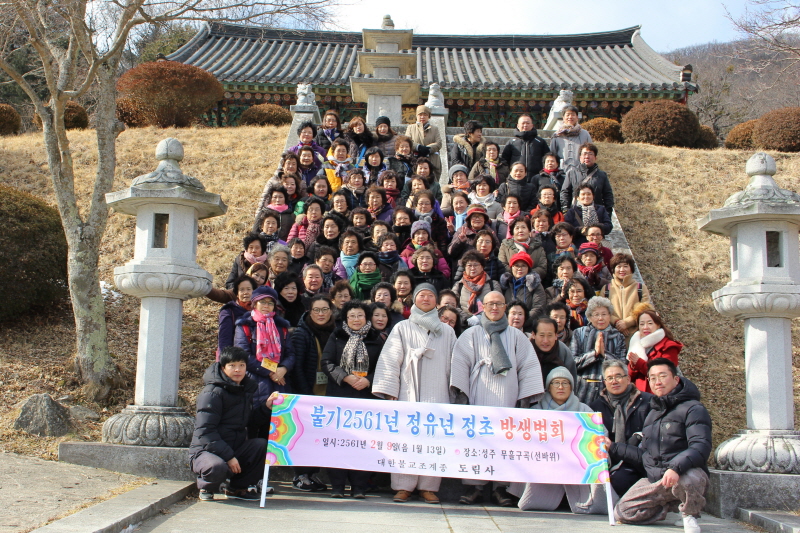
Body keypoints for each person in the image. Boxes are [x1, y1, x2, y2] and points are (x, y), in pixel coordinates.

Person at [451, 291, 545, 506]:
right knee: (476, 441)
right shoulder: (471, 334)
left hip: (507, 396)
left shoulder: (517, 336)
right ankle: (474, 486)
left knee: (506, 442)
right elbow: (460, 363)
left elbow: (528, 366)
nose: (494, 308)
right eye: (490, 304)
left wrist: (525, 399)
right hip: (478, 394)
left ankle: (501, 488)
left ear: (505, 307)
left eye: (499, 304)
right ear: (483, 306)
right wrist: (462, 395)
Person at [372, 283, 458, 504]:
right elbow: (391, 360)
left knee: (434, 439)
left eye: (430, 295)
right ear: (414, 299)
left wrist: (454, 392)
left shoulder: (447, 331)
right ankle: (403, 486)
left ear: (437, 302)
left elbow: (455, 364)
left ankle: (428, 487)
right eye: (422, 295)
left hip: (437, 390)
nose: (426, 299)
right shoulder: (402, 327)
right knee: (405, 438)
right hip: (407, 389)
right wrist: (390, 389)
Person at [613, 358, 712, 533]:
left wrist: (675, 468)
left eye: (662, 376)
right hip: (658, 478)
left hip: (683, 473)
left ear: (676, 379)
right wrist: (612, 447)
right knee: (623, 512)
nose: (657, 382)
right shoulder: (653, 413)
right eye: (652, 378)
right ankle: (671, 505)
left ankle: (690, 513)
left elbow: (700, 446)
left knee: (688, 479)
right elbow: (645, 455)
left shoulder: (693, 408)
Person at [188, 346, 276, 502]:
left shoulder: (244, 390)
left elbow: (250, 421)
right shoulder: (212, 393)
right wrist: (229, 457)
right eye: (232, 365)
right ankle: (207, 487)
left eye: (242, 365)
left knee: (261, 445)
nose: (238, 370)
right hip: (206, 450)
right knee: (217, 466)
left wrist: (265, 407)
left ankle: (237, 488)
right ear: (223, 367)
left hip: (234, 446)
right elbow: (205, 432)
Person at [508, 367, 600, 514]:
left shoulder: (585, 411)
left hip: (575, 461)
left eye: (565, 383)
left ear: (572, 387)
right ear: (548, 387)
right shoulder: (535, 411)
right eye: (556, 383)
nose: (560, 387)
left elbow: (599, 435)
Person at [321, 300, 385, 498]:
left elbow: (384, 367)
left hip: (365, 397)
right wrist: (345, 377)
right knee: (338, 442)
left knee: (363, 444)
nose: (356, 320)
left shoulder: (376, 338)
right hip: (339, 396)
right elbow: (327, 362)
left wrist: (368, 381)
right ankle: (337, 486)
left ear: (366, 318)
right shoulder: (336, 336)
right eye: (352, 316)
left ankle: (359, 487)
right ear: (345, 318)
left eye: (360, 316)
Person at [234, 286, 295, 435]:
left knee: (278, 432)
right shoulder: (245, 326)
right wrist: (272, 371)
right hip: (254, 383)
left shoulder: (281, 327)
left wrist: (284, 368)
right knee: (255, 428)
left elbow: (291, 354)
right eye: (263, 302)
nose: (266, 306)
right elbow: (244, 356)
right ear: (255, 303)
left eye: (270, 302)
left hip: (280, 383)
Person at [589, 360, 653, 498]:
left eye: (618, 376)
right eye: (609, 378)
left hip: (638, 461)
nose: (614, 381)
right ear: (604, 382)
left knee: (618, 482)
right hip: (607, 461)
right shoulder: (595, 407)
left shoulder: (647, 402)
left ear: (628, 378)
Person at [570, 296, 626, 404]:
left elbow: (622, 367)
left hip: (609, 391)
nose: (601, 318)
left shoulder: (618, 336)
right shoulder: (579, 333)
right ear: (589, 317)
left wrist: (605, 354)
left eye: (604, 314)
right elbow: (572, 363)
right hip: (582, 389)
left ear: (610, 316)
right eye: (596, 315)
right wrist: (594, 354)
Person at [628, 303, 683, 393]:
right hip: (640, 395)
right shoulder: (636, 344)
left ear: (658, 325)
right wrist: (632, 366)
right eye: (642, 324)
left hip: (660, 394)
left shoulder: (668, 346)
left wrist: (639, 363)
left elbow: (666, 374)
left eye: (650, 323)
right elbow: (629, 376)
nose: (645, 327)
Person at [605, 253, 652, 337]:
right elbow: (601, 310)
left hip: (635, 334)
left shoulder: (640, 288)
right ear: (613, 269)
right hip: (612, 334)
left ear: (631, 269)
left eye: (625, 266)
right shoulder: (606, 288)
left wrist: (627, 323)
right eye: (619, 266)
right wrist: (617, 322)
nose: (622, 269)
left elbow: (646, 309)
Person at [560, 143, 615, 215]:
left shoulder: (602, 175)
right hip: (576, 214)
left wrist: (608, 212)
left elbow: (608, 195)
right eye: (584, 154)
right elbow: (565, 192)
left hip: (597, 213)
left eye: (590, 154)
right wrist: (566, 210)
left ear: (595, 158)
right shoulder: (571, 174)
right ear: (580, 157)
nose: (587, 156)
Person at [452, 250, 503, 316]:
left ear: (482, 267)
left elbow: (499, 305)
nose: (473, 268)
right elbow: (453, 305)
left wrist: (483, 317)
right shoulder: (459, 285)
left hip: (486, 320)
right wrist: (466, 319)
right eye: (469, 265)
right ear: (464, 267)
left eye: (476, 265)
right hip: (464, 320)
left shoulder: (493, 284)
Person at [501, 113, 550, 179]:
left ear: (532, 125)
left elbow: (547, 158)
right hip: (517, 178)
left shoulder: (540, 142)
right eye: (523, 123)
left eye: (527, 123)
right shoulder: (511, 142)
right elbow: (505, 160)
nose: (525, 125)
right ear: (518, 126)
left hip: (536, 178)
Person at [530, 318, 577, 387]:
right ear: (534, 335)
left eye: (550, 335)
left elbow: (572, 382)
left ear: (556, 336)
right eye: (542, 335)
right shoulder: (526, 351)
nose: (545, 341)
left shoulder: (562, 350)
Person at [499, 251, 546, 319]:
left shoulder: (535, 284)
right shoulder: (505, 283)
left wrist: (523, 320)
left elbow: (539, 307)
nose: (520, 268)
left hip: (529, 323)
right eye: (516, 265)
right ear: (511, 267)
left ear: (528, 268)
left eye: (523, 265)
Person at [498, 217, 548, 281]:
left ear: (529, 230)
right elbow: (502, 264)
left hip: (533, 282)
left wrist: (528, 275)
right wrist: (516, 273)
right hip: (510, 282)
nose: (520, 231)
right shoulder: (505, 246)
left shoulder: (538, 247)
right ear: (512, 232)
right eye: (517, 228)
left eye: (523, 227)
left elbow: (542, 267)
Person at [218, 276, 256, 356]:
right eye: (242, 290)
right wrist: (226, 359)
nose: (245, 292)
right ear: (237, 294)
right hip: (235, 357)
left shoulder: (258, 311)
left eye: (249, 289)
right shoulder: (228, 311)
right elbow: (224, 339)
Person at [256, 152, 301, 218]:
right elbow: (264, 197)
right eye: (288, 163)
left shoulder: (301, 181)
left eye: (294, 164)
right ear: (283, 166)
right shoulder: (273, 180)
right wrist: (258, 215)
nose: (291, 166)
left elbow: (303, 198)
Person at [549, 106, 592, 171]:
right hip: (562, 171)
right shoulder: (557, 135)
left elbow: (590, 151)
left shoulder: (585, 134)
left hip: (581, 170)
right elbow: (552, 154)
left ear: (577, 117)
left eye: (573, 115)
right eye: (568, 115)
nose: (570, 117)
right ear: (563, 117)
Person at [407, 105, 442, 179]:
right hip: (416, 158)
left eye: (425, 115)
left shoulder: (435, 129)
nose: (422, 117)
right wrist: (419, 147)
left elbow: (439, 143)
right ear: (416, 116)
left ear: (429, 116)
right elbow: (408, 141)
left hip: (432, 159)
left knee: (432, 181)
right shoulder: (411, 128)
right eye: (420, 115)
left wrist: (427, 149)